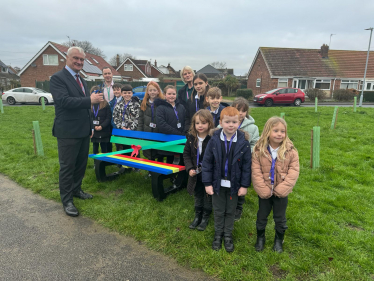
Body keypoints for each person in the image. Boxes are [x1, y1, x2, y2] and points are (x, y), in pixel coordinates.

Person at [50, 46, 104, 217]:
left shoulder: (81, 79)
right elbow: (64, 101)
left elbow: (85, 108)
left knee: (80, 164)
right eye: (76, 58)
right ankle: (67, 201)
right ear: (67, 58)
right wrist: (90, 99)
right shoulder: (58, 78)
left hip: (83, 131)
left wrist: (89, 127)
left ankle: (76, 190)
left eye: (82, 59)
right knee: (67, 167)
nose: (79, 62)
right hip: (67, 131)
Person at [202, 107, 251, 252]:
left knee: (230, 211)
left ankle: (228, 235)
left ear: (239, 122)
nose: (231, 125)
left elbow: (247, 167)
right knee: (218, 210)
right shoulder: (213, 141)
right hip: (217, 184)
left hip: (234, 185)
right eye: (227, 122)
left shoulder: (244, 143)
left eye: (234, 122)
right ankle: (218, 234)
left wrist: (244, 185)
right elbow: (207, 163)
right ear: (220, 122)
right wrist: (207, 183)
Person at [252, 117, 299, 253]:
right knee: (261, 216)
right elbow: (256, 172)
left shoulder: (291, 152)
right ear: (268, 131)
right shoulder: (258, 151)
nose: (279, 134)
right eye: (276, 130)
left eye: (282, 131)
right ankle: (260, 238)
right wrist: (263, 190)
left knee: (280, 218)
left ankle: (279, 240)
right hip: (265, 192)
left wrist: (282, 189)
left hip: (281, 193)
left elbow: (293, 172)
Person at [183, 109, 214, 231]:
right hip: (195, 173)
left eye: (203, 123)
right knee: (198, 193)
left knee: (208, 195)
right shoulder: (191, 137)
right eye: (197, 123)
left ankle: (205, 217)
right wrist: (189, 168)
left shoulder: (213, 139)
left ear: (209, 124)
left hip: (208, 174)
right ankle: (197, 215)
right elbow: (186, 154)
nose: (200, 126)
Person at [231, 97, 260, 221]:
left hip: (243, 161)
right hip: (228, 159)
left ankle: (238, 207)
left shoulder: (253, 128)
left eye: (243, 110)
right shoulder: (226, 122)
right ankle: (228, 205)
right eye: (238, 109)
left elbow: (255, 143)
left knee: (241, 183)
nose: (240, 113)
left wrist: (248, 152)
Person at [137, 81, 164, 165]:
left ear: (158, 91)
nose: (152, 92)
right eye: (150, 90)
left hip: (158, 132)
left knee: (159, 153)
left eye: (154, 90)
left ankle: (159, 170)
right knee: (149, 153)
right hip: (147, 132)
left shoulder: (162, 103)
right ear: (147, 92)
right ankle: (150, 172)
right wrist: (139, 132)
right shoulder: (144, 103)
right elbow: (140, 119)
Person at [112, 84, 141, 155]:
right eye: (125, 93)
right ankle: (124, 165)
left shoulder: (136, 104)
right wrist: (121, 127)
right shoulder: (118, 104)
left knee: (134, 150)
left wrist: (131, 128)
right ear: (121, 94)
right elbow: (115, 117)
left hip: (133, 132)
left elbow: (138, 117)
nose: (127, 95)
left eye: (129, 93)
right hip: (122, 131)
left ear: (132, 93)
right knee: (124, 150)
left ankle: (135, 165)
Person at [90, 86, 112, 154]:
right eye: (94, 93)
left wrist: (102, 126)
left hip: (104, 130)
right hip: (94, 131)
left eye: (98, 93)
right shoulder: (89, 105)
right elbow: (89, 118)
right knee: (95, 147)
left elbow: (108, 118)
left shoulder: (106, 104)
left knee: (104, 147)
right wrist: (93, 127)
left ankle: (103, 162)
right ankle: (96, 163)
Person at [100, 67, 116, 153]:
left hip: (116, 115)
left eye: (109, 73)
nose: (107, 75)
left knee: (117, 137)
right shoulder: (100, 87)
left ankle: (118, 160)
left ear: (112, 74)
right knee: (105, 137)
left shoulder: (118, 86)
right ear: (103, 75)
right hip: (104, 115)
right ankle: (106, 156)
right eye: (105, 74)